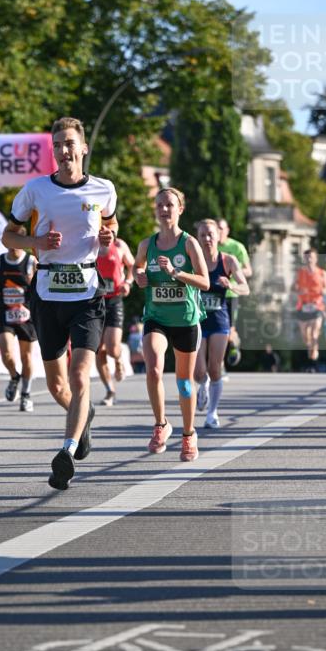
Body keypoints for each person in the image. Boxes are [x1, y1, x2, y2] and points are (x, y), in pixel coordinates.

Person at [1, 117, 117, 490]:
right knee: (56, 384)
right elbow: (8, 237)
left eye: (70, 144)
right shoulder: (35, 191)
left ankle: (66, 452)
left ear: (83, 148)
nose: (64, 151)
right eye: (58, 145)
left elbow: (111, 229)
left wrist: (108, 236)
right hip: (47, 294)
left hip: (87, 293)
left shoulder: (104, 190)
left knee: (80, 374)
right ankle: (83, 418)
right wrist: (36, 244)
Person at [134, 189, 209, 460]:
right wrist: (139, 277)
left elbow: (205, 281)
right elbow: (137, 267)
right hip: (156, 317)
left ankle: (189, 435)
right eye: (160, 205)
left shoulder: (189, 244)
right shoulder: (146, 244)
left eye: (170, 205)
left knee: (184, 384)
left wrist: (176, 273)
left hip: (186, 321)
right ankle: (161, 425)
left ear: (180, 209)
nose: (164, 209)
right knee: (153, 367)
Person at [194, 219, 249, 428]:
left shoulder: (228, 261)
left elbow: (246, 288)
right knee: (198, 372)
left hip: (219, 320)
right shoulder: (192, 259)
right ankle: (203, 385)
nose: (207, 239)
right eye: (202, 235)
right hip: (197, 320)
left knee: (215, 368)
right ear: (197, 238)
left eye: (210, 235)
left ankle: (212, 414)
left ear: (218, 237)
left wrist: (232, 286)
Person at [0, 243, 38, 412]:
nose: (13, 248)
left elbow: (39, 287)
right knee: (7, 353)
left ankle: (26, 395)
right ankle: (14, 376)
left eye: (17, 244)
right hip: (5, 314)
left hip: (26, 316)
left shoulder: (31, 262)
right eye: (9, 244)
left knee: (26, 357)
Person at [96, 236, 134, 406]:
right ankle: (110, 390)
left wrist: (128, 282)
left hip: (114, 301)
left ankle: (118, 360)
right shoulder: (89, 244)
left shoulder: (119, 245)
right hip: (94, 302)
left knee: (111, 348)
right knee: (98, 350)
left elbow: (133, 265)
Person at [217, 218, 252, 367]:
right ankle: (219, 365)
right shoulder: (208, 246)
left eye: (221, 228)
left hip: (231, 294)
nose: (218, 232)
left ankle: (234, 345)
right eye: (216, 228)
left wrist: (231, 271)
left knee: (228, 331)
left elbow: (248, 270)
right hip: (212, 294)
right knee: (214, 331)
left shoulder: (237, 247)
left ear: (227, 230)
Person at [293, 248, 326, 371]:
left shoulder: (322, 273)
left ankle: (313, 361)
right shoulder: (300, 272)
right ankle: (311, 351)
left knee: (314, 334)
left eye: (311, 257)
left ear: (316, 258)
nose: (309, 259)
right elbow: (294, 287)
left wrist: (323, 293)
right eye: (307, 257)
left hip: (317, 306)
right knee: (305, 336)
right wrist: (298, 290)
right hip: (303, 305)